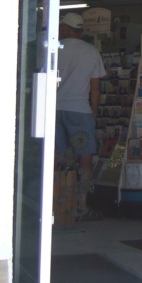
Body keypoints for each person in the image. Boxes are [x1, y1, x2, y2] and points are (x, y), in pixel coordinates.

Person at [55, 12, 106, 221]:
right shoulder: (91, 51)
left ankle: (58, 205)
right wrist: (93, 113)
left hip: (55, 110)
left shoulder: (55, 48)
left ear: (66, 28)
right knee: (84, 158)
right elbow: (95, 88)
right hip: (80, 110)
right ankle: (81, 205)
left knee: (58, 157)